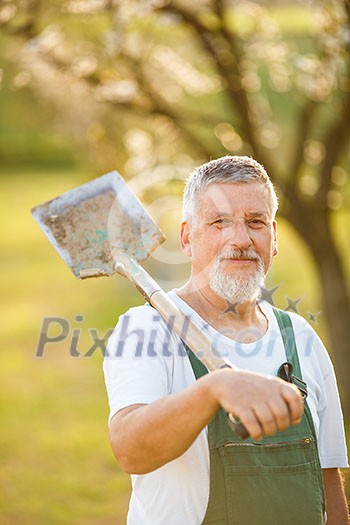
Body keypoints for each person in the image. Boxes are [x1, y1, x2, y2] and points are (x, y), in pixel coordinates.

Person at [103, 156, 348, 524]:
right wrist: (214, 388)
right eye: (219, 222)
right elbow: (130, 451)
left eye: (256, 222)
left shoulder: (301, 338)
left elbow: (328, 480)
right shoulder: (145, 330)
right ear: (187, 238)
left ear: (274, 237)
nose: (241, 239)